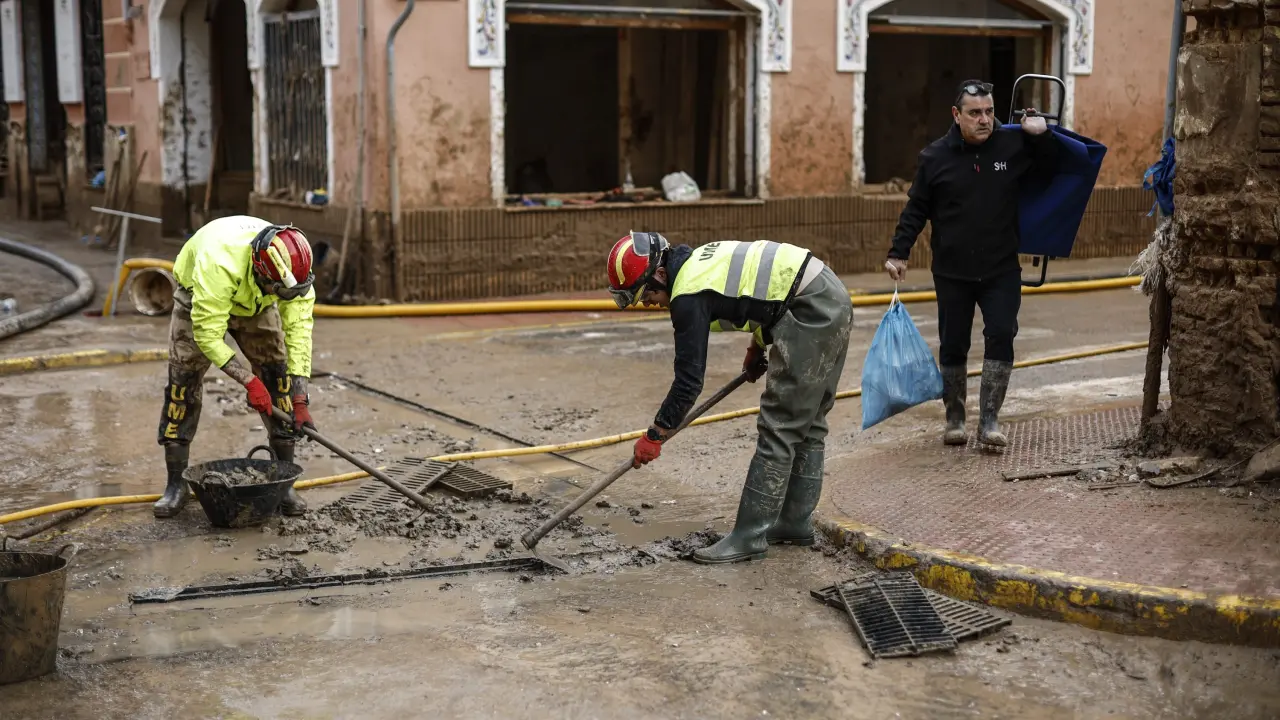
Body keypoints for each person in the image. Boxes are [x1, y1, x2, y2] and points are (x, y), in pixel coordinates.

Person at [606, 231, 852, 564]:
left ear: (660, 274)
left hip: (810, 308)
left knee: (780, 427)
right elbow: (764, 297)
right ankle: (793, 524)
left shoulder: (687, 293)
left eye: (645, 293)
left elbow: (689, 381)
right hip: (827, 295)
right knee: (808, 424)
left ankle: (748, 538)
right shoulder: (698, 264)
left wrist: (656, 433)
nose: (646, 303)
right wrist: (757, 346)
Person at [885, 79, 1059, 448]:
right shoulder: (935, 158)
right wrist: (898, 252)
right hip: (952, 271)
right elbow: (916, 209)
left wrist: (1040, 136)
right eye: (975, 112)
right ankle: (955, 417)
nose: (984, 119)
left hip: (1001, 268)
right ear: (956, 115)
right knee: (953, 344)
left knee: (1002, 334)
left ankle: (990, 419)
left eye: (989, 111)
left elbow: (1050, 173)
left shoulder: (1012, 145)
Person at [153, 216, 318, 519]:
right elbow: (208, 336)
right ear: (261, 271)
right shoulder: (218, 264)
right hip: (199, 296)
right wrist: (248, 381)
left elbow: (299, 334)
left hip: (256, 302)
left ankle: (284, 482)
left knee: (278, 378)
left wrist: (299, 399)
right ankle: (176, 484)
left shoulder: (294, 273)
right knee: (182, 385)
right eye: (278, 291)